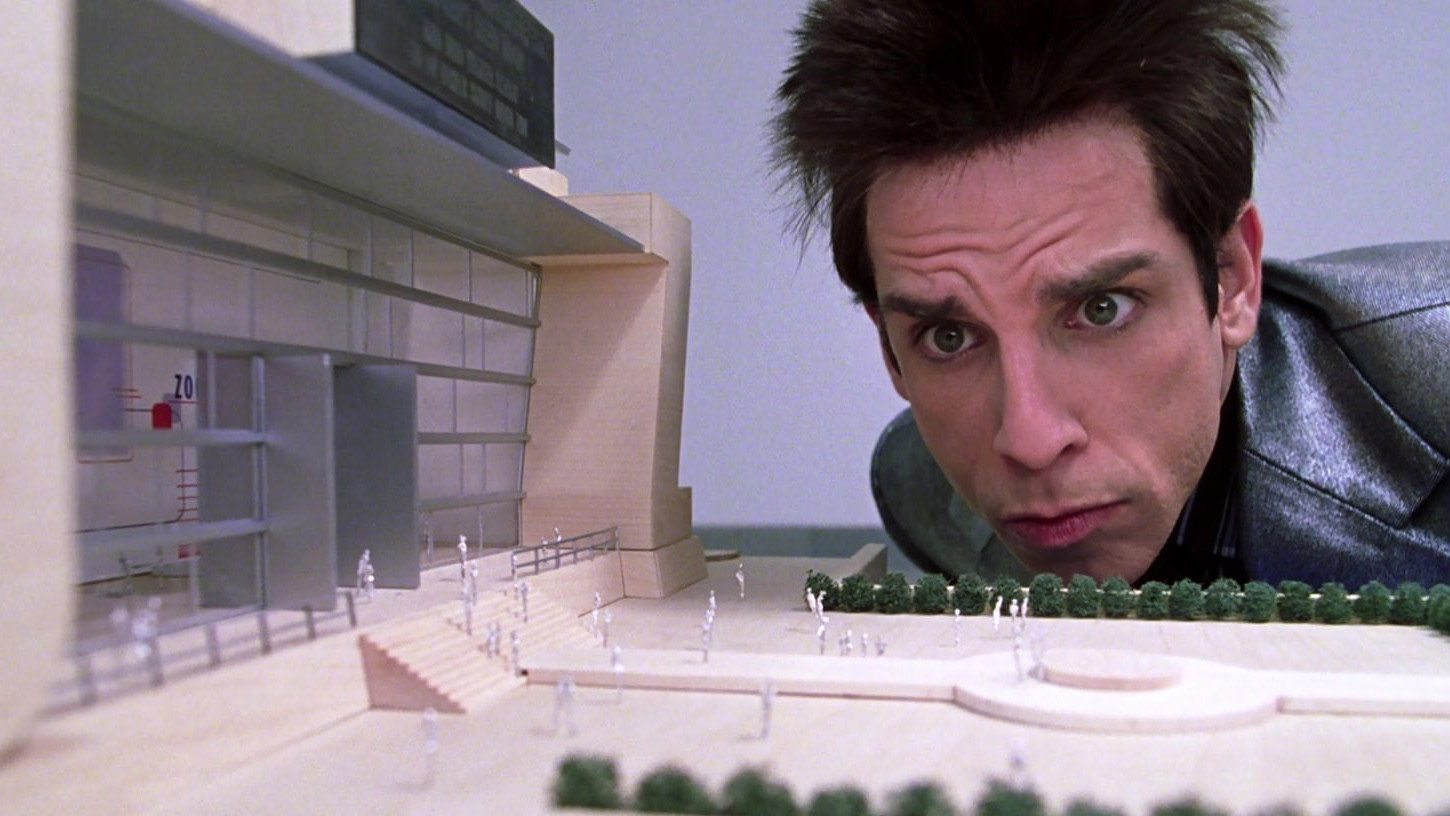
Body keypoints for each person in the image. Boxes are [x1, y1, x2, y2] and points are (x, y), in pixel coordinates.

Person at [770, 0, 1450, 588]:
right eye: (949, 338)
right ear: (890, 351)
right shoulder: (922, 492)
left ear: (1232, 278)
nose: (1030, 442)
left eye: (1102, 310)